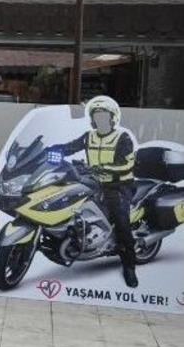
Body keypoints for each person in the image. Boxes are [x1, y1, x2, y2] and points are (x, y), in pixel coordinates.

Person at [48, 96, 138, 288]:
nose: (100, 119)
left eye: (104, 115)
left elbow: (127, 163)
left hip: (118, 186)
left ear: (113, 117)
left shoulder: (122, 137)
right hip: (95, 183)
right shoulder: (89, 136)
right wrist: (52, 150)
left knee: (122, 222)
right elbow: (71, 147)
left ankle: (129, 266)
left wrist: (103, 167)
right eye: (96, 115)